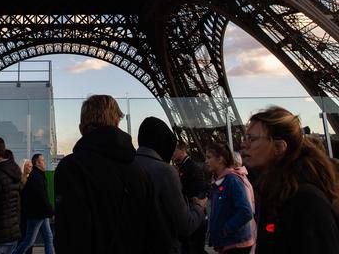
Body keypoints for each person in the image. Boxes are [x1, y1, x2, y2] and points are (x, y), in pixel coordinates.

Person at [54, 95, 163, 254]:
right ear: (117, 122)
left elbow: (70, 236)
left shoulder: (71, 168)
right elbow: (153, 230)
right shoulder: (139, 170)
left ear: (82, 127)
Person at [241, 106, 339, 253]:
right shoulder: (276, 192)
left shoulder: (305, 199)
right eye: (245, 138)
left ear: (279, 147)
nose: (244, 144)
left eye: (252, 139)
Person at [134, 117, 206, 254]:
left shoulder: (128, 166)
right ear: (163, 143)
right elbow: (185, 225)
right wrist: (199, 207)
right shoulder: (165, 171)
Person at [205, 143, 255, 254]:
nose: (206, 161)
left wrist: (224, 230)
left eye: (209, 157)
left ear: (220, 159)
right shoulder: (220, 181)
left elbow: (246, 211)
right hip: (228, 244)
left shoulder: (232, 180)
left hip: (236, 244)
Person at [13, 154, 54, 254]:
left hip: (41, 213)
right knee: (29, 241)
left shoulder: (38, 175)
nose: (45, 162)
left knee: (49, 238)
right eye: (43, 160)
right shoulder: (36, 176)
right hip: (37, 214)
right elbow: (41, 197)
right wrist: (51, 211)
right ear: (38, 163)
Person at [173, 141, 208, 254]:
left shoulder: (192, 167)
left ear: (182, 151)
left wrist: (198, 202)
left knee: (194, 248)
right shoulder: (184, 166)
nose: (172, 153)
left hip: (194, 213)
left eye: (175, 150)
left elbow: (200, 188)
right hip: (192, 212)